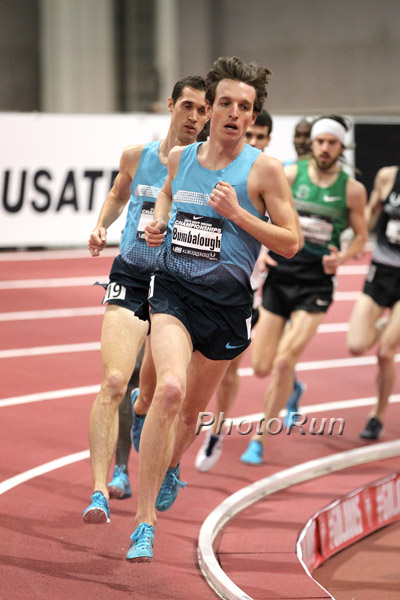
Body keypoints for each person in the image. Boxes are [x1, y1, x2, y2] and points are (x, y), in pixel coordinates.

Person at [126, 56, 299, 562]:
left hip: (227, 307)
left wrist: (238, 214)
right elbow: (165, 194)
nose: (234, 113)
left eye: (244, 107)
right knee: (170, 390)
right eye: (225, 103)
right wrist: (159, 222)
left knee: (191, 413)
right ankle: (144, 523)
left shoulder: (264, 170)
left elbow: (290, 242)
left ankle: (171, 465)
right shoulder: (183, 158)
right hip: (174, 292)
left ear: (252, 116)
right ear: (210, 108)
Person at [82, 76, 208, 524]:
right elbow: (119, 194)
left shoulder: (207, 169)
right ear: (171, 105)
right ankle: (100, 491)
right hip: (132, 276)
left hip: (177, 287)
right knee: (115, 379)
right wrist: (102, 225)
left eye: (203, 110)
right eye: (187, 106)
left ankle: (157, 444)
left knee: (163, 394)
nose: (194, 117)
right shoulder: (136, 156)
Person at [240, 115, 368, 465]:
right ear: (311, 143)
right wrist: (263, 251)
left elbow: (361, 236)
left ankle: (259, 439)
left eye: (332, 143)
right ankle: (294, 388)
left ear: (342, 147)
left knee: (284, 360)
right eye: (320, 141)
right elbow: (262, 214)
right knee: (261, 366)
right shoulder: (290, 175)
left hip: (316, 283)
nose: (325, 148)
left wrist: (342, 258)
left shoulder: (352, 190)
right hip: (282, 276)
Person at [195, 109, 274, 472]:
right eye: (250, 134)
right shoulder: (214, 168)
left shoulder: (270, 178)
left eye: (260, 136)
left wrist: (269, 253)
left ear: (268, 140)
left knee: (227, 371)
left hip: (242, 294)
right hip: (195, 286)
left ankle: (216, 430)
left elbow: (290, 235)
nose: (253, 141)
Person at [347, 164, 400, 440]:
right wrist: (360, 236)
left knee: (385, 353)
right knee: (356, 345)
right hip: (381, 271)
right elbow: (371, 211)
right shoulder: (388, 176)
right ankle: (383, 325)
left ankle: (377, 415)